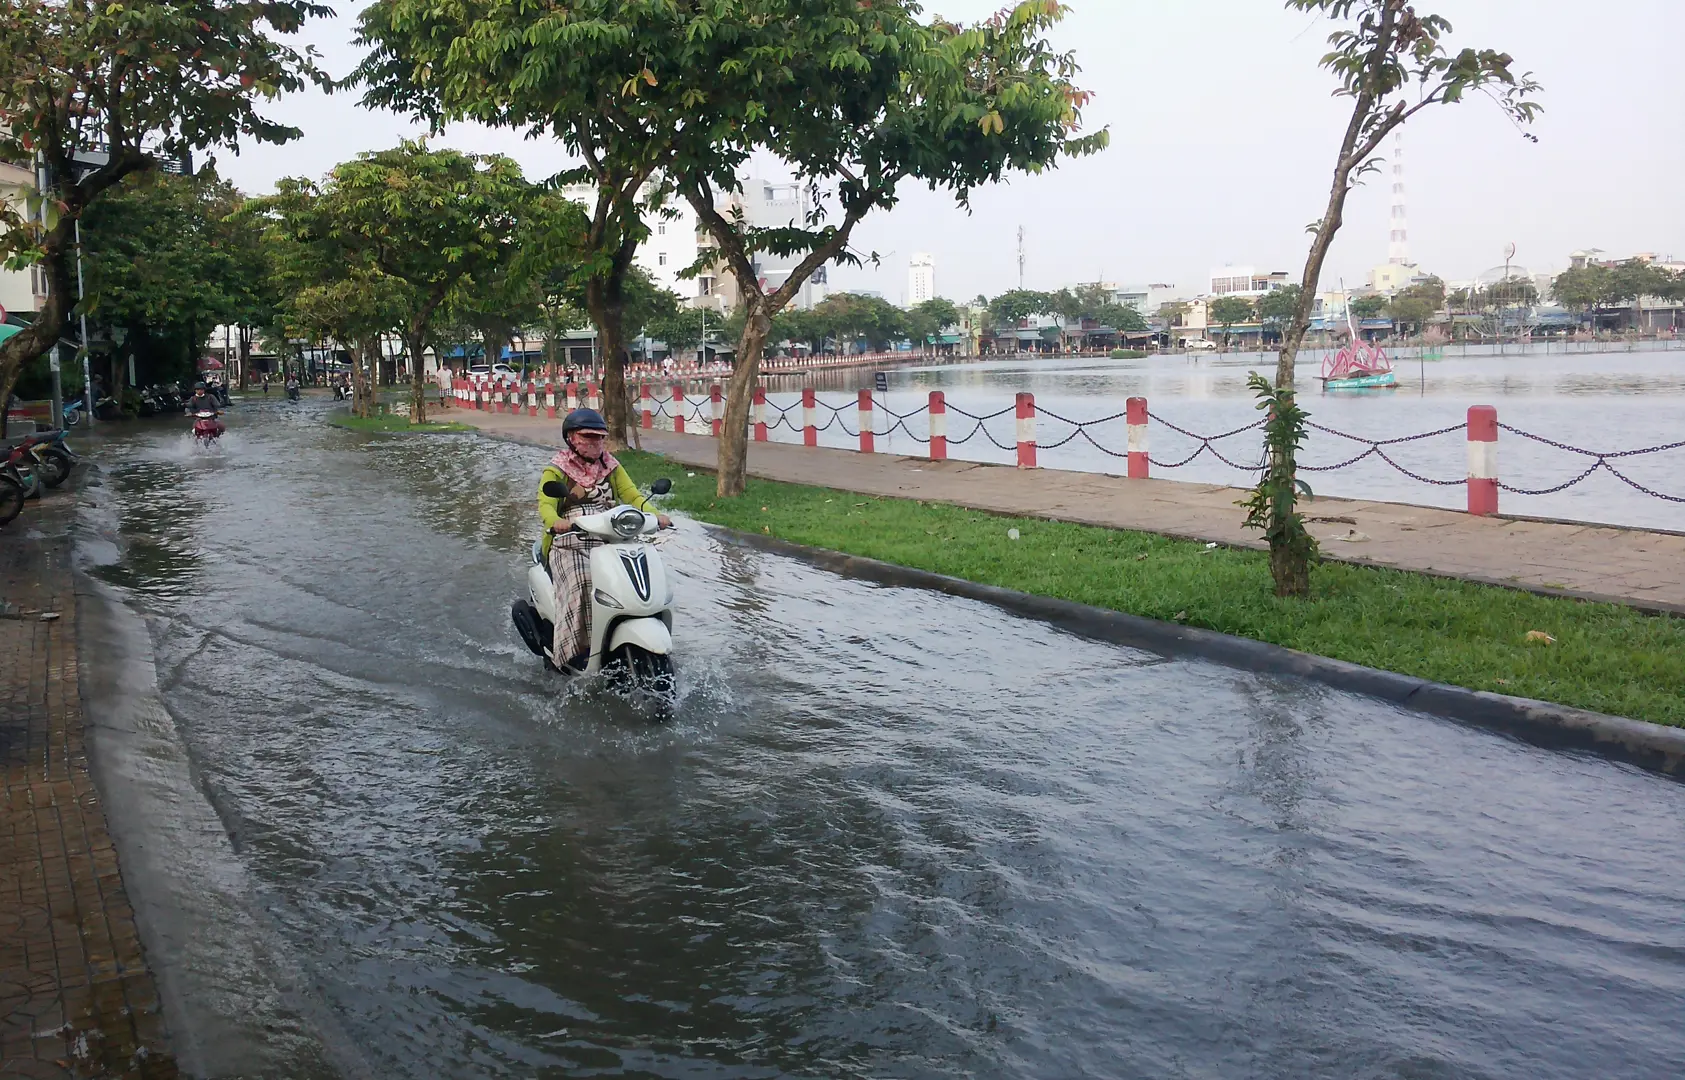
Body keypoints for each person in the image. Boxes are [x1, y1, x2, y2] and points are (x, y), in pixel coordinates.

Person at [539, 408, 672, 670]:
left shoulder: (611, 466)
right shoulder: (558, 468)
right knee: (582, 583)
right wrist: (556, 522)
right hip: (571, 539)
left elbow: (632, 496)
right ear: (571, 439)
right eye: (587, 437)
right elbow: (545, 503)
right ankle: (575, 651)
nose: (594, 443)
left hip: (611, 534)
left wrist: (656, 515)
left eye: (599, 438)